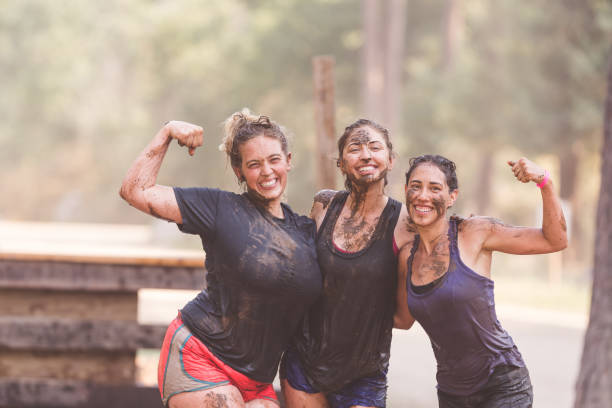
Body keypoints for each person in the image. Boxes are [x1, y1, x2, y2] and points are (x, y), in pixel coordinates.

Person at [119, 110, 322, 408]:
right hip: (200, 356)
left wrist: (332, 199)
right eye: (254, 164)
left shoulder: (306, 231)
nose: (266, 171)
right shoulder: (218, 208)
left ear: (288, 161)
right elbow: (135, 191)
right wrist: (167, 132)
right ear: (239, 172)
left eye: (274, 160)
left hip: (256, 381)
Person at [394, 154, 568, 407]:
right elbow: (402, 319)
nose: (423, 196)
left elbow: (556, 240)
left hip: (501, 384)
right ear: (406, 191)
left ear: (452, 196)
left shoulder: (474, 233)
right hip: (452, 393)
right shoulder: (407, 257)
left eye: (435, 188)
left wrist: (545, 183)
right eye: (416, 186)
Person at [280, 119, 415, 408]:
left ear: (390, 160)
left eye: (375, 147)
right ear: (341, 164)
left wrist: (358, 315)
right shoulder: (324, 205)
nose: (366, 154)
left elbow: (404, 319)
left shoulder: (406, 224)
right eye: (355, 148)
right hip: (304, 362)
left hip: (364, 373)